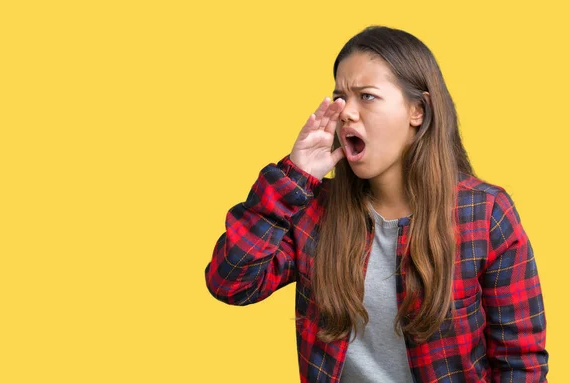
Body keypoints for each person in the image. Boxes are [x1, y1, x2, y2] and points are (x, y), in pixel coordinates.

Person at [204, 25, 548, 382]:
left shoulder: (486, 214)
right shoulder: (313, 210)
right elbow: (230, 283)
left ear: (417, 110)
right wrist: (294, 176)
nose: (346, 113)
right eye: (340, 97)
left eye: (366, 96)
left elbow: (520, 363)